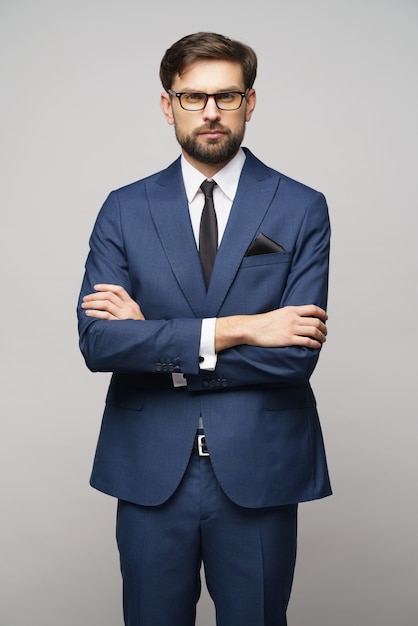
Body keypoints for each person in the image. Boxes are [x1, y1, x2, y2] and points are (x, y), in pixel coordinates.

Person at [77, 31, 332, 626]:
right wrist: (241, 328)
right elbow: (100, 344)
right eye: (192, 97)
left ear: (250, 101)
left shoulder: (300, 206)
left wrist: (156, 340)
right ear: (168, 105)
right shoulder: (124, 208)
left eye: (226, 95)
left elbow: (294, 356)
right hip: (148, 469)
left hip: (260, 465)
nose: (210, 112)